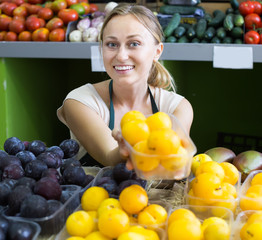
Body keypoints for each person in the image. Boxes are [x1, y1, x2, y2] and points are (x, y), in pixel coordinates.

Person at [57, 3, 193, 168]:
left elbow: (170, 164)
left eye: (134, 43)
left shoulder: (177, 107)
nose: (121, 56)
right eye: (112, 44)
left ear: (157, 52)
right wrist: (125, 149)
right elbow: (109, 157)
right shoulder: (80, 101)